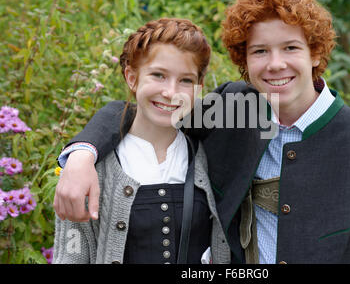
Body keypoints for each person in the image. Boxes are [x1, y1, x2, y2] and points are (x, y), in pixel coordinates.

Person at [54, 0, 350, 263]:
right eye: (259, 51)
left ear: (315, 52)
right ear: (243, 60)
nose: (275, 65)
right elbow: (150, 108)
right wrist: (82, 154)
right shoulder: (236, 113)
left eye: (290, 48)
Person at [52, 18, 230, 264]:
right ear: (132, 77)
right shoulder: (89, 168)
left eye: (186, 80)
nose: (171, 92)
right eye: (158, 75)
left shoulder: (207, 156)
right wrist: (81, 154)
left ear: (198, 88)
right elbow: (71, 257)